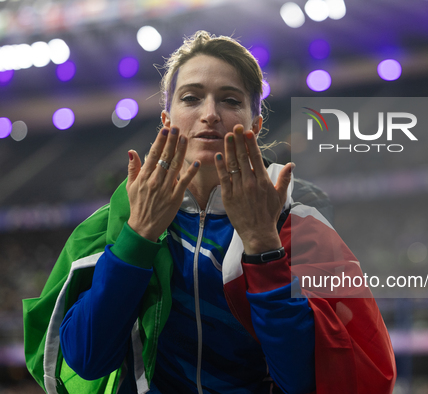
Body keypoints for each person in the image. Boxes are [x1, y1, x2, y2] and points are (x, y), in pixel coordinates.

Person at [23, 31, 396, 394]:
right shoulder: (112, 225)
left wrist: (264, 247)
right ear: (167, 119)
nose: (210, 114)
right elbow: (86, 360)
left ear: (255, 123)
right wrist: (137, 238)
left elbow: (303, 382)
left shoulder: (299, 227)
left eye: (230, 100)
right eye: (191, 98)